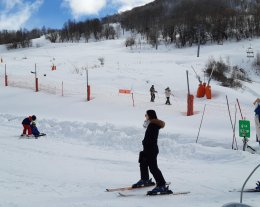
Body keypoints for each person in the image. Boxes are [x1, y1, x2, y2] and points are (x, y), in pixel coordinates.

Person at [132, 110, 172, 195]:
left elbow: (151, 139)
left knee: (153, 168)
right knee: (143, 162)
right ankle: (145, 179)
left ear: (150, 115)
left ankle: (162, 185)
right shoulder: (151, 124)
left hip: (151, 149)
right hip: (147, 148)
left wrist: (145, 143)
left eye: (146, 115)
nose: (145, 116)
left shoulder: (153, 125)